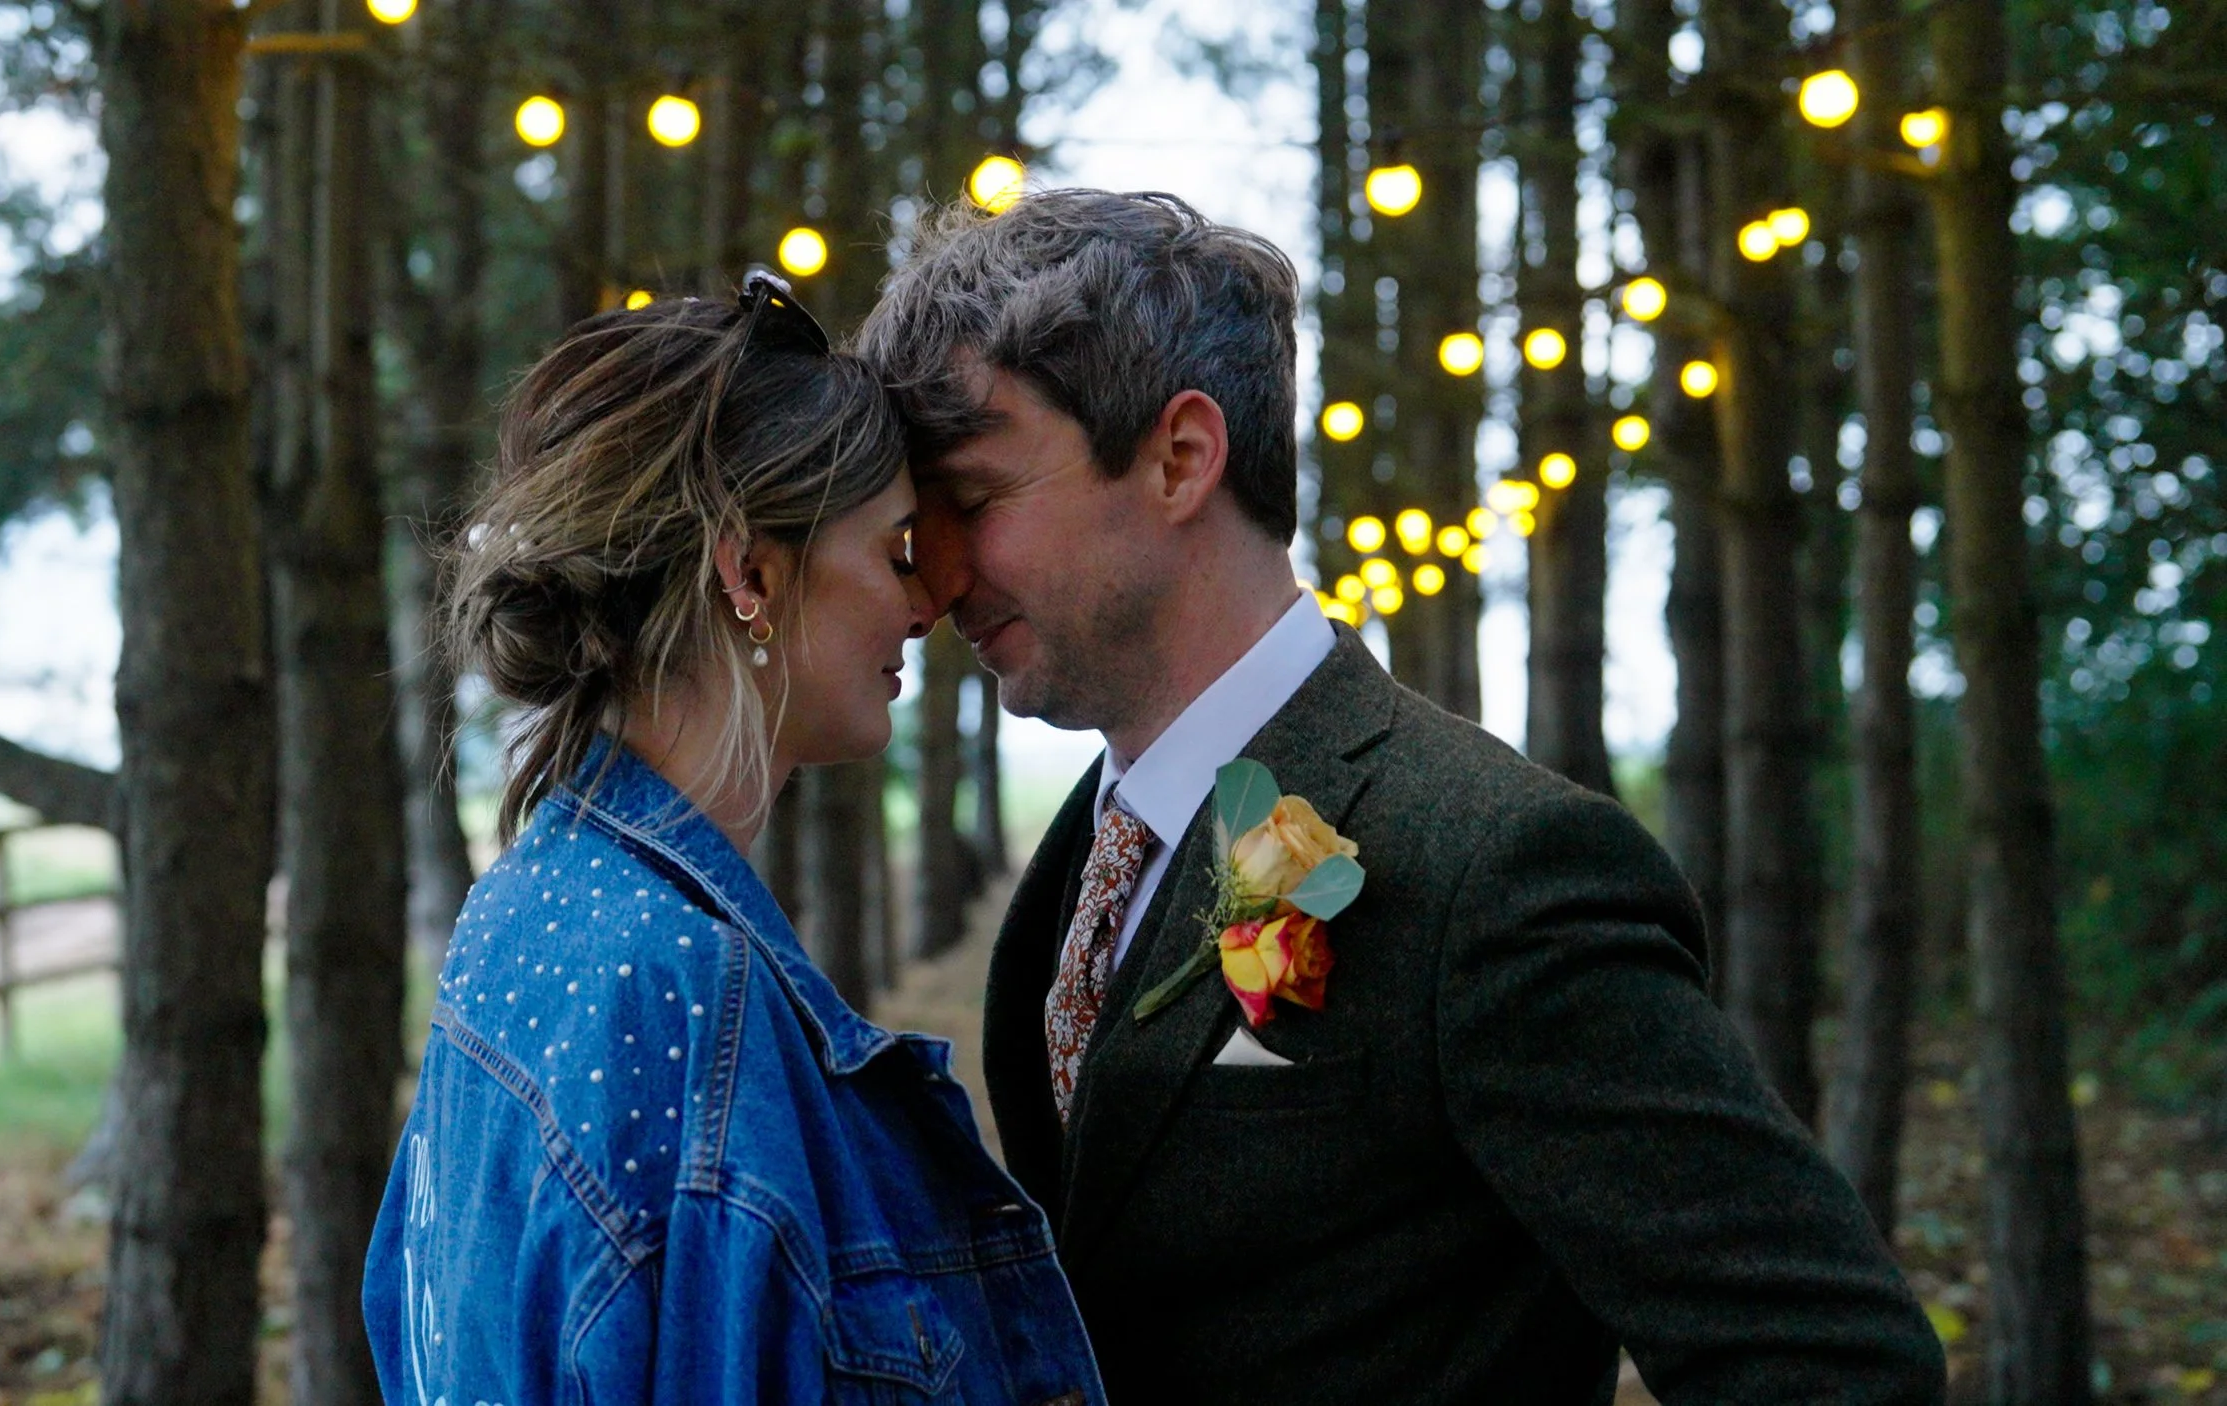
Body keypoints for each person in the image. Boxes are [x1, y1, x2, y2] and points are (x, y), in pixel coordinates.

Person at [855, 190, 1948, 1405]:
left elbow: (1830, 1359)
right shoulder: (1089, 848)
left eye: (976, 497)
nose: (935, 576)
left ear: (1179, 457)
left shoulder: (1501, 867)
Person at [362, 273, 1105, 1406]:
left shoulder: (524, 898)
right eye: (895, 546)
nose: (927, 600)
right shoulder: (680, 988)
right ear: (748, 571)